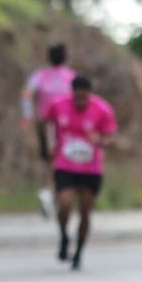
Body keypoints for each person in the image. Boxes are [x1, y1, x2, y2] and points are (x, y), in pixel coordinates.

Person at [44, 75, 117, 270]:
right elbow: (48, 123)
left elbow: (111, 138)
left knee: (85, 210)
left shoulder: (102, 109)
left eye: (85, 98)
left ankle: (78, 252)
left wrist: (100, 140)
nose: (81, 101)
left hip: (90, 168)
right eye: (77, 97)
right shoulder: (58, 105)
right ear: (72, 93)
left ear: (90, 94)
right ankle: (64, 237)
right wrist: (50, 143)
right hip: (65, 164)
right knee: (65, 203)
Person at [21, 44, 77, 217]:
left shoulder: (40, 76)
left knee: (49, 159)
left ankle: (48, 191)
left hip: (45, 122)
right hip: (67, 125)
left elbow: (26, 94)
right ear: (65, 58)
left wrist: (27, 115)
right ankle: (57, 195)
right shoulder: (71, 77)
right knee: (67, 160)